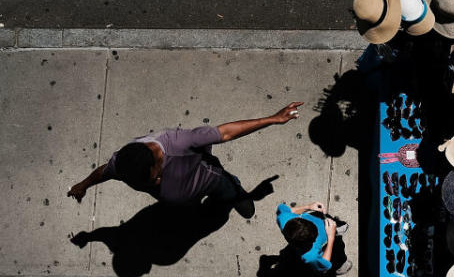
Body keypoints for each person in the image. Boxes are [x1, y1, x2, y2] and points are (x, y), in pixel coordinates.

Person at [66, 102, 304, 218]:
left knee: (228, 191)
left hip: (210, 180)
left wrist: (273, 119)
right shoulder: (126, 164)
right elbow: (104, 172)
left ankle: (235, 191)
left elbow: (227, 132)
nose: (157, 182)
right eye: (149, 184)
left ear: (156, 158)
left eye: (155, 177)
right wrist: (83, 185)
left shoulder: (181, 142)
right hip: (184, 199)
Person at [276, 200, 352, 275]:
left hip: (320, 223)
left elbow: (289, 210)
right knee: (338, 251)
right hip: (326, 242)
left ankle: (335, 229)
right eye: (315, 237)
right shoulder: (310, 256)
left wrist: (308, 207)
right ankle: (340, 265)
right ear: (312, 241)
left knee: (323, 219)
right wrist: (331, 237)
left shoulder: (283, 218)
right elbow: (324, 265)